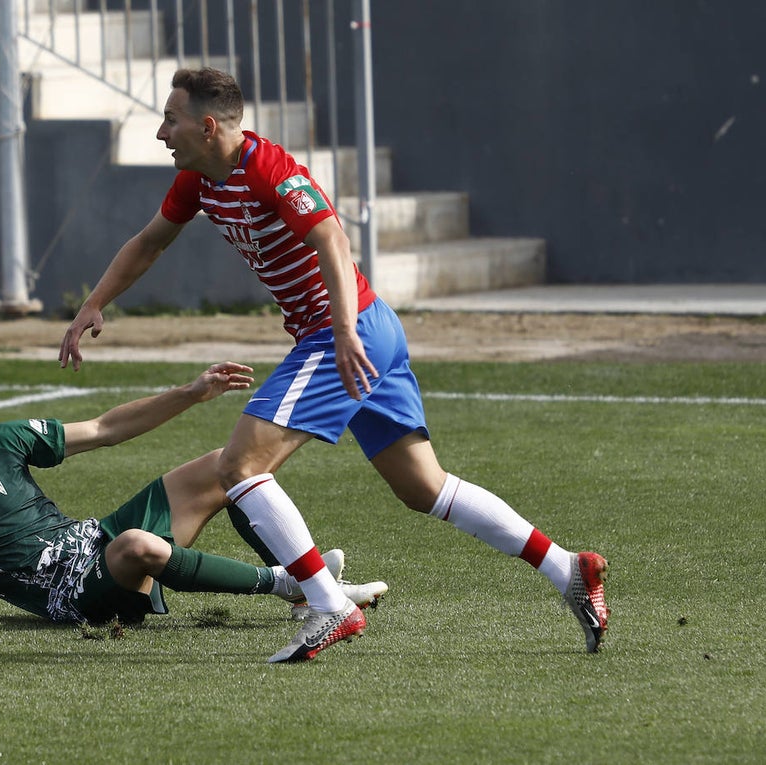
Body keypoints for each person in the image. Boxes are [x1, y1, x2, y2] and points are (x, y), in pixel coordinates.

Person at [58, 67, 610, 662]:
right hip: (366, 329)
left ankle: (328, 605)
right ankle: (567, 568)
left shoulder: (272, 170)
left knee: (239, 466)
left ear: (208, 126)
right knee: (424, 487)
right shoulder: (198, 181)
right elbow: (149, 242)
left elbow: (333, 241)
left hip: (344, 332)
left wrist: (343, 332)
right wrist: (94, 302)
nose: (161, 133)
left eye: (171, 119)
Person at [0, 361, 388, 639]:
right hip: (74, 597)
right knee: (135, 545)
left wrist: (190, 393)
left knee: (229, 466)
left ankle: (303, 594)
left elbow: (105, 429)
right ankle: (294, 583)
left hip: (94, 542)